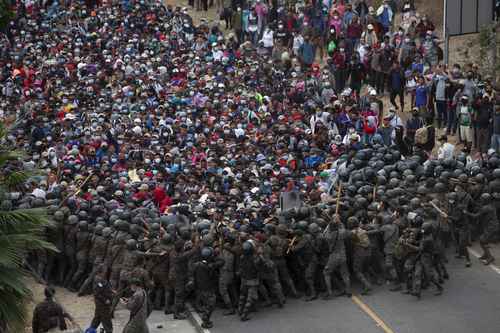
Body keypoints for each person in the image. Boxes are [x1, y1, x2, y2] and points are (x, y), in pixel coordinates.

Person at [89, 264, 114, 333]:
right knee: (107, 321)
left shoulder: (102, 278)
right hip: (102, 304)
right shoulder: (99, 279)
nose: (106, 271)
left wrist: (111, 291)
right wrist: (105, 300)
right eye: (105, 270)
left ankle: (90, 331)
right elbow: (96, 293)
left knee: (97, 319)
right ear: (101, 270)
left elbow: (103, 289)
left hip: (101, 304)